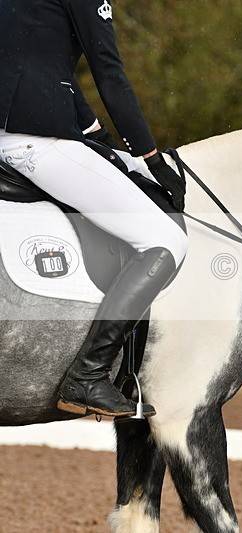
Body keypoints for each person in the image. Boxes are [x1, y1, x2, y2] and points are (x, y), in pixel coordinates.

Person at [0, 0, 189, 418]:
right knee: (167, 239)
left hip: (13, 128)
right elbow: (109, 73)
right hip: (34, 139)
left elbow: (44, 66)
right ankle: (88, 376)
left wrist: (96, 133)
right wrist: (151, 157)